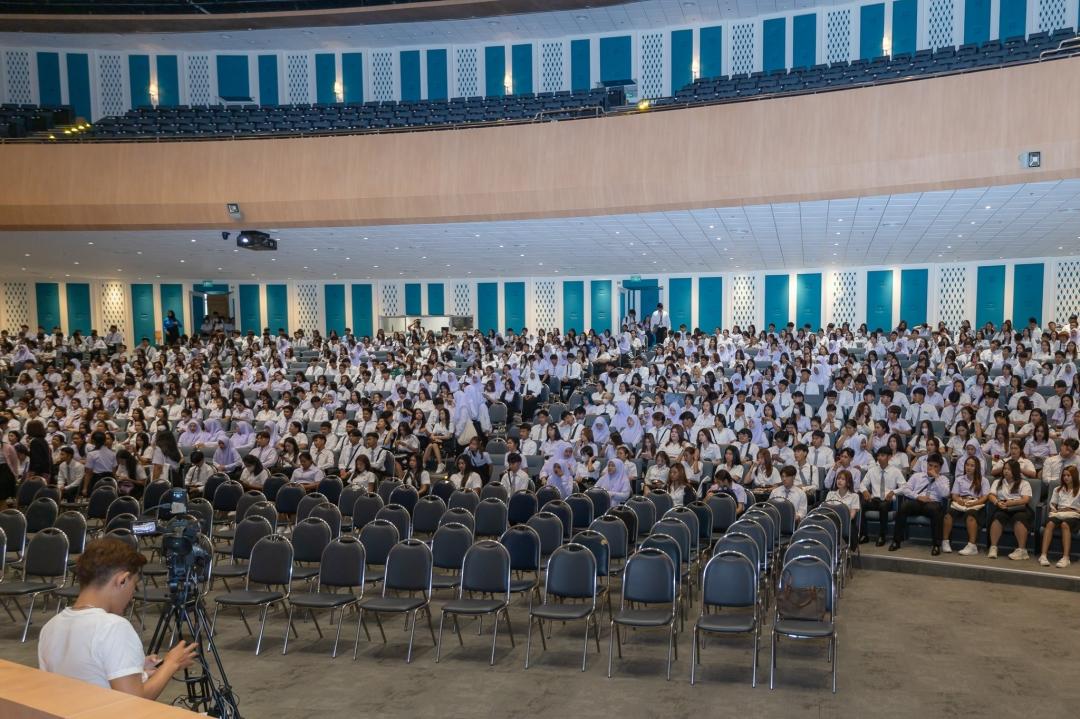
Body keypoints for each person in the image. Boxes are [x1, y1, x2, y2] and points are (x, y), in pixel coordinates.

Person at [38, 538, 197, 697]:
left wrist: (133, 669)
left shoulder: (51, 626)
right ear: (122, 580)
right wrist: (171, 664)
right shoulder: (113, 627)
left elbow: (86, 672)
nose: (132, 595)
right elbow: (133, 701)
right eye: (134, 585)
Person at [889, 453, 950, 555]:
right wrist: (918, 496)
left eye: (936, 466)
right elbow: (906, 490)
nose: (932, 468)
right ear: (926, 464)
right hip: (918, 501)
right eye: (930, 465)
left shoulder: (944, 479)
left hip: (933, 504)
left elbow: (945, 494)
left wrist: (936, 477)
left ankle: (936, 545)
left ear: (940, 468)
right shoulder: (917, 476)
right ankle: (896, 541)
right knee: (904, 506)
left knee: (937, 511)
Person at [942, 455, 991, 556]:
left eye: (972, 466)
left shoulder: (984, 480)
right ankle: (945, 542)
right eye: (967, 465)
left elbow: (985, 497)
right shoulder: (959, 479)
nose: (969, 467)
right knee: (948, 515)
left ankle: (972, 546)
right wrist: (958, 500)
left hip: (976, 504)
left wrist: (974, 503)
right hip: (962, 503)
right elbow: (954, 495)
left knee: (970, 515)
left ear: (977, 467)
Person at [986, 459, 1034, 560]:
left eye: (1009, 469)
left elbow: (1026, 499)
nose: (1006, 471)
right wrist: (997, 502)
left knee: (1019, 518)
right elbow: (991, 495)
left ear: (1015, 471)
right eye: (1005, 469)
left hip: (1019, 507)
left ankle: (1022, 550)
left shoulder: (1024, 483)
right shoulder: (997, 482)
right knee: (997, 517)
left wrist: (1012, 503)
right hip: (1003, 506)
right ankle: (993, 547)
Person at [859, 446, 904, 545]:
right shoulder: (872, 470)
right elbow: (862, 484)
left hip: (888, 500)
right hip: (875, 499)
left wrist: (893, 492)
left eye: (882, 455)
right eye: (878, 455)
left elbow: (904, 487)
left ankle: (882, 535)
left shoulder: (896, 471)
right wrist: (865, 491)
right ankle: (863, 534)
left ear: (889, 457)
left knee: (883, 506)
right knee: (861, 504)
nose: (879, 458)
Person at [1039, 465, 1079, 568]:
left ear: (1074, 476)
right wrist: (1056, 509)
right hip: (1059, 514)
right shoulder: (1057, 489)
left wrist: (1071, 509)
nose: (1065, 477)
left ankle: (1066, 557)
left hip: (1074, 516)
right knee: (1050, 523)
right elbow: (1052, 505)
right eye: (1064, 475)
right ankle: (1043, 555)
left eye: (1068, 475)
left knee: (1065, 524)